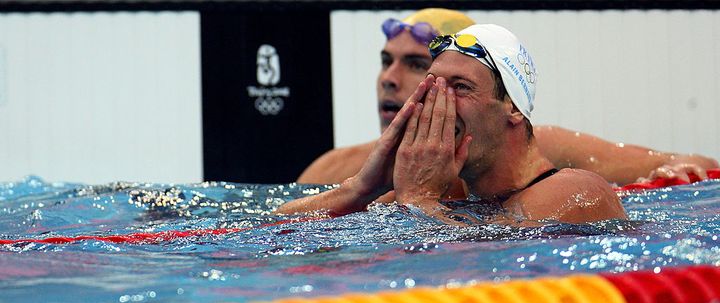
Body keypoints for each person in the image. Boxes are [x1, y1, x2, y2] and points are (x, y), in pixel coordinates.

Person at [297, 9, 717, 191]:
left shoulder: (547, 155)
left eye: (413, 65)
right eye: (385, 62)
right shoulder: (334, 168)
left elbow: (694, 169)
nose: (390, 80)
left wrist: (675, 173)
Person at [278, 24, 627, 225]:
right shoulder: (449, 196)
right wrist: (357, 190)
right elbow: (273, 229)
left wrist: (418, 199)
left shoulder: (576, 194)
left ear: (513, 107)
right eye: (432, 86)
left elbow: (476, 271)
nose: (437, 103)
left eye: (460, 88)